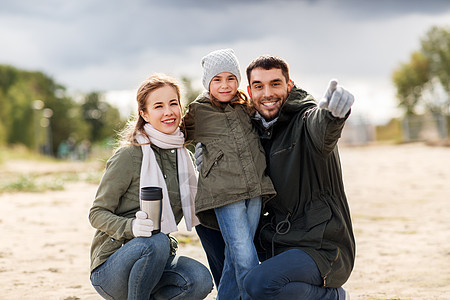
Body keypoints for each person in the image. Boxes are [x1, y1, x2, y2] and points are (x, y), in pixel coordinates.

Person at [195, 55, 356, 300]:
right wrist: (213, 158)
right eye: (259, 86)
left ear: (289, 86)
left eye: (275, 84)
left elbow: (321, 129)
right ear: (249, 91)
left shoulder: (305, 120)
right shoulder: (254, 130)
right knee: (209, 223)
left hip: (320, 246)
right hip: (277, 240)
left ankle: (332, 296)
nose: (267, 93)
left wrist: (332, 116)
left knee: (260, 284)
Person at [88, 74, 213, 300]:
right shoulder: (129, 156)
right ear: (144, 114)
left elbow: (202, 208)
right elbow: (96, 214)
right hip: (112, 268)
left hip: (157, 263)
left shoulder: (184, 158)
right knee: (155, 241)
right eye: (158, 106)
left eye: (173, 103)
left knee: (200, 279)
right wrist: (132, 227)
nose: (168, 112)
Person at [183, 49, 276, 300]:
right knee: (245, 256)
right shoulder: (198, 111)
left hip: (255, 188)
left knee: (236, 256)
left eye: (230, 78)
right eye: (217, 79)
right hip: (225, 193)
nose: (225, 85)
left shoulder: (245, 107)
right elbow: (174, 133)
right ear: (207, 83)